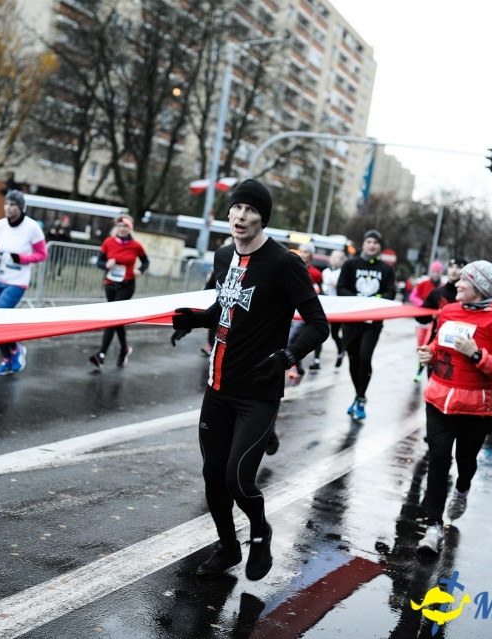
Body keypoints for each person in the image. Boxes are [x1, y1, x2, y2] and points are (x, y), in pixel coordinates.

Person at [168, 178, 328, 581]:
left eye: (251, 210)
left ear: (263, 218)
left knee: (238, 480)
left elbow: (318, 324)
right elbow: (226, 308)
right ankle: (227, 548)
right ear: (228, 212)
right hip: (218, 387)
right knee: (212, 475)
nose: (241, 216)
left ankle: (260, 532)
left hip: (257, 394)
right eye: (237, 208)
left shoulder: (283, 263)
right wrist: (195, 318)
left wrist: (287, 356)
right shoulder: (223, 257)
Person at [415, 260, 492, 555]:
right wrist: (429, 353)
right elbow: (438, 342)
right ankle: (433, 527)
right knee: (438, 460)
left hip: (475, 408)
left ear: (481, 289)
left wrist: (477, 355)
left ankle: (462, 489)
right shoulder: (448, 312)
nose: (457, 284)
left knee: (466, 461)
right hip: (439, 400)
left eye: (465, 282)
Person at [0, 190, 48, 375]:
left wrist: (22, 258)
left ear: (20, 207)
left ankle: (16, 350)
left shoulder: (32, 228)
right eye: (6, 204)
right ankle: (8, 358)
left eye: (12, 205)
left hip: (17, 281)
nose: (8, 208)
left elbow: (42, 254)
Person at [336, 230, 397, 419]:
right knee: (353, 359)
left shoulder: (386, 269)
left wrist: (375, 299)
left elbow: (391, 293)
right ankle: (358, 394)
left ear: (380, 246)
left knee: (364, 358)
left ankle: (361, 399)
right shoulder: (350, 264)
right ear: (364, 244)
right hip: (352, 321)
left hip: (373, 323)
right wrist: (357, 299)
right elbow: (341, 288)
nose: (372, 245)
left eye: (375, 243)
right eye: (369, 241)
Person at [89, 214, 149, 369]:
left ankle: (101, 354)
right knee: (117, 320)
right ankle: (124, 349)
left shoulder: (136, 245)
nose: (122, 229)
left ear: (130, 228)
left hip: (126, 285)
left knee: (112, 317)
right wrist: (106, 264)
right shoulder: (108, 242)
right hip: (110, 285)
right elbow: (99, 262)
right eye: (120, 226)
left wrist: (140, 270)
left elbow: (146, 261)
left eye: (125, 226)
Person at [413, 256, 466, 381]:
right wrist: (432, 315)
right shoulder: (437, 293)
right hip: (437, 346)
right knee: (432, 388)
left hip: (460, 348)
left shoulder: (467, 295)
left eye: (458, 268)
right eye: (451, 267)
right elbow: (421, 318)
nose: (454, 271)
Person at [286, 242, 323, 382]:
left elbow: (321, 292)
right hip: (291, 311)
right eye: (300, 251)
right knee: (293, 338)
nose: (302, 254)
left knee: (293, 337)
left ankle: (294, 365)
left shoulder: (316, 274)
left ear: (311, 255)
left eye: (306, 252)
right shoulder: (292, 268)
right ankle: (298, 365)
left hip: (305, 313)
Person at [320, 249, 346, 367]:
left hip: (337, 307)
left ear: (342, 261)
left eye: (338, 257)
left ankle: (341, 352)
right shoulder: (325, 272)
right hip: (325, 305)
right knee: (318, 331)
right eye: (333, 256)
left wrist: (336, 285)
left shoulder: (343, 273)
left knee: (334, 334)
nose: (334, 259)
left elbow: (343, 288)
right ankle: (316, 359)